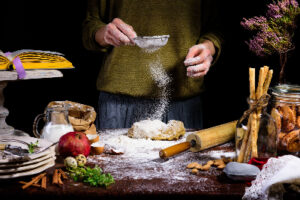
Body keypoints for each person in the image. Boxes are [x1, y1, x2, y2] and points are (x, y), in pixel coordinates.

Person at [82, 0, 223, 129]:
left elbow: (218, 27)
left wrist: (208, 47)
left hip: (182, 101)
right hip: (117, 102)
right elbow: (90, 25)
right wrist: (103, 33)